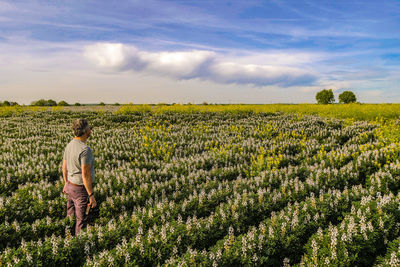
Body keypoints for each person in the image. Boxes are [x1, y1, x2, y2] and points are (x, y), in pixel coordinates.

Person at [62, 118, 96, 235]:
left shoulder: (69, 144)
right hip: (80, 189)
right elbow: (85, 175)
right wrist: (91, 195)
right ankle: (78, 246)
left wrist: (66, 183)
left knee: (70, 215)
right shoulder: (85, 150)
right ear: (86, 130)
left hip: (70, 186)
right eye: (89, 128)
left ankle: (66, 236)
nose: (90, 130)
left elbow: (64, 167)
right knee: (81, 219)